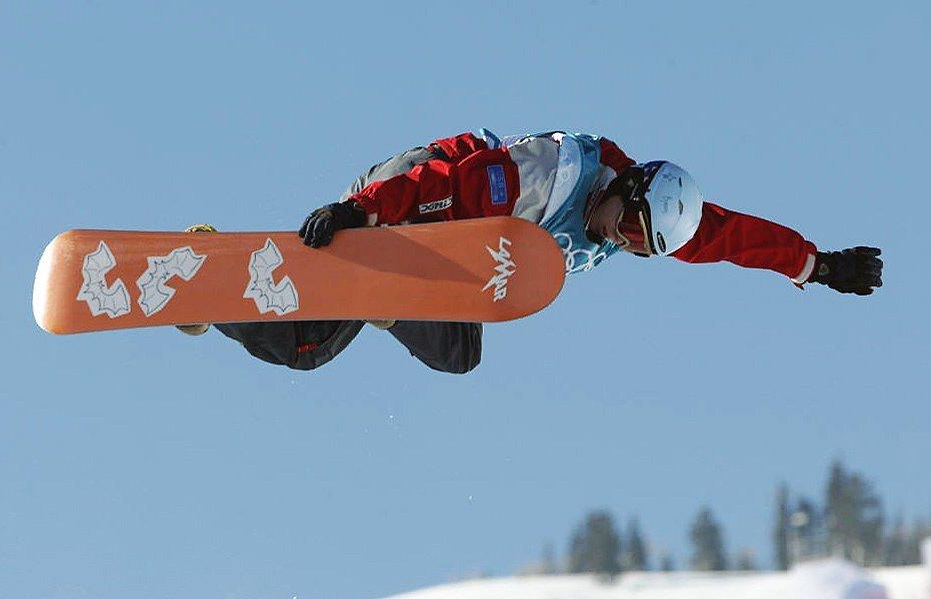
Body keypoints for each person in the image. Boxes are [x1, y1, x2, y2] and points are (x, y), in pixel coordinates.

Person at [182, 129, 883, 374]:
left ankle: (212, 293)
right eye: (628, 227)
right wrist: (360, 212)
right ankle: (371, 280)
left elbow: (731, 236)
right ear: (627, 185)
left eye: (639, 248)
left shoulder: (643, 218)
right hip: (411, 197)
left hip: (428, 261)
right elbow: (445, 182)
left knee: (430, 354)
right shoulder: (554, 175)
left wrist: (816, 265)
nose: (622, 241)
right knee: (320, 340)